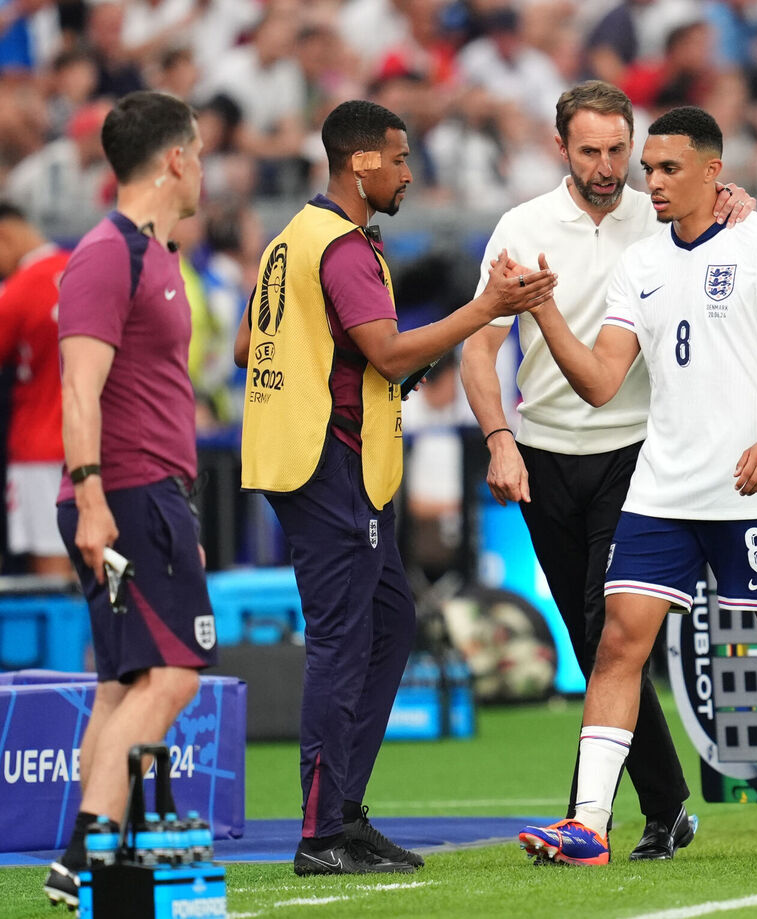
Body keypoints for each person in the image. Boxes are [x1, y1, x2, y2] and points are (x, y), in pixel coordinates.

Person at [516, 105, 757, 865]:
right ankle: (588, 825)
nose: (652, 181)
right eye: (649, 169)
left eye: (669, 168)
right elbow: (601, 382)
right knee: (617, 643)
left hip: (749, 488)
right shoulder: (641, 263)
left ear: (714, 172)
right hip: (661, 490)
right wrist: (543, 309)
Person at [234, 99, 555, 876]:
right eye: (401, 158)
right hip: (330, 461)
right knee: (345, 641)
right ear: (361, 163)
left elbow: (251, 344)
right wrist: (484, 309)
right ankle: (322, 833)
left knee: (389, 621)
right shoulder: (342, 246)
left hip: (307, 455)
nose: (410, 173)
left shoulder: (294, 237)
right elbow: (384, 352)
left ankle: (344, 813)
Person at [460, 80, 757, 859]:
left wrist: (737, 203)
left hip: (639, 452)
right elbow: (479, 348)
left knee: (609, 629)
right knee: (593, 640)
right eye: (589, 150)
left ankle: (586, 816)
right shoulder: (522, 227)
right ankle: (667, 803)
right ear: (560, 146)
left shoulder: (660, 212)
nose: (606, 165)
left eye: (618, 150)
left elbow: (731, 229)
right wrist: (499, 437)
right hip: (545, 454)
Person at [45, 90, 216, 908]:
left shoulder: (158, 254)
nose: (205, 169)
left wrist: (179, 516)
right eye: (200, 153)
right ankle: (89, 852)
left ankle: (80, 859)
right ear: (175, 158)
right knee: (174, 676)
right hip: (124, 492)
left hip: (153, 496)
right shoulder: (108, 255)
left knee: (124, 683)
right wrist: (91, 498)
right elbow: (79, 388)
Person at [0, 202, 72, 576]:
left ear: (5, 237)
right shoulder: (84, 268)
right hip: (99, 447)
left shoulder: (18, 290)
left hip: (39, 449)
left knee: (52, 576)